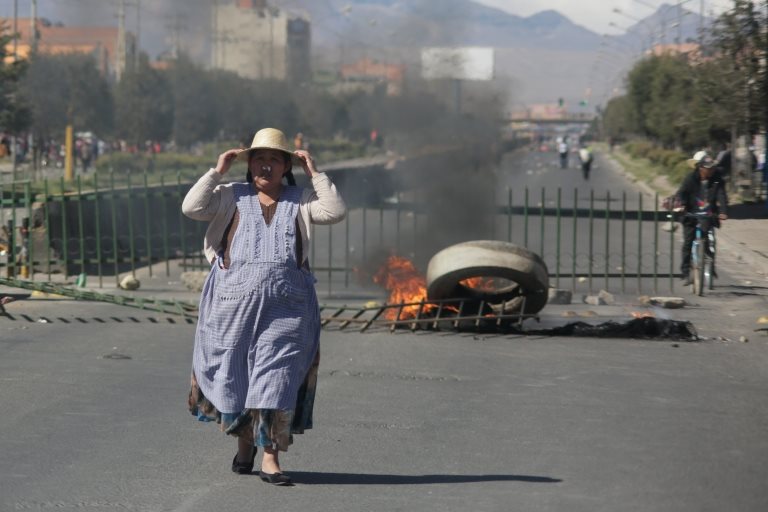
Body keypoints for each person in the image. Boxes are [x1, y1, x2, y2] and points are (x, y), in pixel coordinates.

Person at [182, 127, 346, 486]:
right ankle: (246, 447)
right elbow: (192, 207)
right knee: (238, 379)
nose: (266, 167)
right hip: (232, 309)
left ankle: (270, 457)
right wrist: (217, 170)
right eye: (259, 159)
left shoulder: (300, 200)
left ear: (286, 166)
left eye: (274, 159)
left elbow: (334, 211)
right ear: (249, 164)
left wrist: (315, 173)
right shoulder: (230, 196)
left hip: (287, 310)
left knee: (277, 379)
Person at [675, 152, 728, 286]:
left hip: (708, 214)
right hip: (691, 213)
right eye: (707, 168)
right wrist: (681, 205)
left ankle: (711, 266)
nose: (710, 170)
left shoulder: (717, 179)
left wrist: (723, 212)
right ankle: (686, 273)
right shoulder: (690, 178)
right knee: (688, 242)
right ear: (700, 168)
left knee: (711, 241)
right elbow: (681, 193)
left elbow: (722, 195)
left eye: (712, 168)